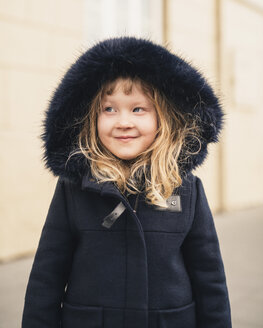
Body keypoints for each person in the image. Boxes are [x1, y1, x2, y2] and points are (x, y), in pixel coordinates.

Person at [22, 36, 232, 328]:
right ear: (91, 118)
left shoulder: (185, 189)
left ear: (163, 118)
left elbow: (210, 280)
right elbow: (46, 278)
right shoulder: (74, 189)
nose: (123, 122)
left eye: (138, 109)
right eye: (109, 109)